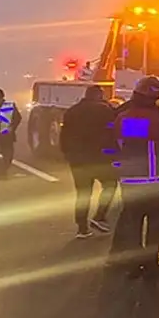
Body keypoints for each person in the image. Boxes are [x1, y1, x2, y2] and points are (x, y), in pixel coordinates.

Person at [109, 76, 159, 279]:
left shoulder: (122, 118)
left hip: (130, 183)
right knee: (155, 225)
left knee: (133, 225)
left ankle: (133, 266)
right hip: (156, 182)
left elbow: (116, 145)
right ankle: (151, 265)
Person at [60, 85, 119, 238]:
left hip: (78, 160)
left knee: (83, 193)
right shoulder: (104, 110)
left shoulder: (72, 111)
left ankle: (82, 228)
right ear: (99, 96)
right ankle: (99, 215)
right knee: (110, 184)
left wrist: (67, 154)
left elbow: (64, 134)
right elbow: (113, 131)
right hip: (100, 159)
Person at [0, 89, 22, 181]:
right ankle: (0, 174)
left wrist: (12, 127)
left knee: (8, 156)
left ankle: (3, 170)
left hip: (7, 135)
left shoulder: (10, 106)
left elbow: (17, 118)